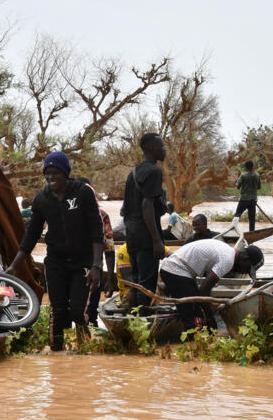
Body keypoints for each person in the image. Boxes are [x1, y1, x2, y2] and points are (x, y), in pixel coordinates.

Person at [7, 152, 104, 351]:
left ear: (65, 173)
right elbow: (32, 234)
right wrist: (14, 265)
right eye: (47, 174)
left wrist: (96, 265)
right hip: (56, 262)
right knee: (57, 312)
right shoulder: (41, 199)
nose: (51, 178)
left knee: (78, 312)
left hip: (82, 262)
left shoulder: (83, 192)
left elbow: (97, 230)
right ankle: (57, 357)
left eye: (55, 173)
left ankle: (83, 334)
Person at [159, 240, 263, 329]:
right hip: (175, 271)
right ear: (245, 258)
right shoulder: (228, 260)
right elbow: (203, 291)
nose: (245, 273)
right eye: (248, 269)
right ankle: (194, 341)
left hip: (175, 270)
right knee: (197, 320)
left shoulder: (229, 252)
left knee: (194, 303)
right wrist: (210, 317)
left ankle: (170, 291)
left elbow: (204, 290)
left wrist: (209, 305)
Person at [120, 133, 168, 309]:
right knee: (146, 285)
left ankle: (133, 321)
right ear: (150, 148)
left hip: (132, 236)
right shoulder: (154, 172)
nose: (164, 149)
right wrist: (156, 240)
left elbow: (124, 209)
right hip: (146, 238)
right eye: (161, 146)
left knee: (136, 282)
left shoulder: (133, 172)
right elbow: (147, 205)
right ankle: (143, 322)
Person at [85, 207, 117, 326]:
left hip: (95, 272)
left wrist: (109, 279)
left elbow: (109, 248)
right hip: (76, 271)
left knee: (91, 314)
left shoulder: (102, 215)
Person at [235, 161, 261, 232]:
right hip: (253, 200)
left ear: (246, 167)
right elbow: (259, 187)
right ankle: (251, 232)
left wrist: (236, 182)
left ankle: (233, 230)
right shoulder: (257, 175)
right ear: (253, 167)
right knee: (252, 219)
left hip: (244, 200)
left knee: (237, 216)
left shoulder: (243, 175)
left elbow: (238, 186)